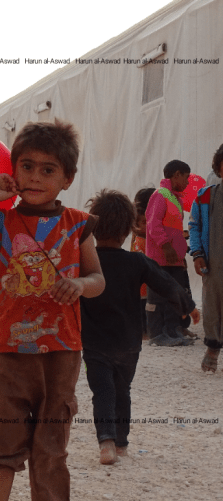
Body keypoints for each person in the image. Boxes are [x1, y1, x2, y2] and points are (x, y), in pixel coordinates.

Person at [0, 120, 105, 501]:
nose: (34, 177)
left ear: (68, 178)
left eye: (48, 170)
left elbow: (98, 279)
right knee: (4, 438)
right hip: (9, 351)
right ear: (13, 169)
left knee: (51, 445)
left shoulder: (78, 225)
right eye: (26, 166)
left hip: (62, 351)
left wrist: (80, 285)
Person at [81, 190, 199, 465]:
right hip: (128, 343)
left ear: (93, 228)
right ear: (128, 230)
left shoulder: (84, 262)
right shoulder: (137, 261)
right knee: (122, 391)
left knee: (102, 391)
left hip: (94, 343)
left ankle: (106, 442)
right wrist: (189, 306)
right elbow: (167, 284)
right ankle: (122, 443)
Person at [145, 160, 195, 346]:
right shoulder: (160, 195)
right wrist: (165, 246)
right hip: (160, 257)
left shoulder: (176, 199)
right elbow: (153, 224)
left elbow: (174, 229)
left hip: (174, 259)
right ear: (176, 175)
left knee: (174, 295)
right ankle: (157, 334)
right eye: (186, 177)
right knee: (158, 296)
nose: (187, 182)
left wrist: (180, 253)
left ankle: (172, 331)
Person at [190, 143, 223, 372]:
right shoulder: (206, 196)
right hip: (214, 265)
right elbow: (194, 226)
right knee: (212, 307)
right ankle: (212, 349)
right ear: (219, 167)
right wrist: (197, 254)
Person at [131, 187, 156, 339]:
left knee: (146, 306)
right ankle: (143, 331)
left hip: (146, 285)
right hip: (142, 285)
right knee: (143, 306)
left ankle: (146, 330)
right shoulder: (140, 239)